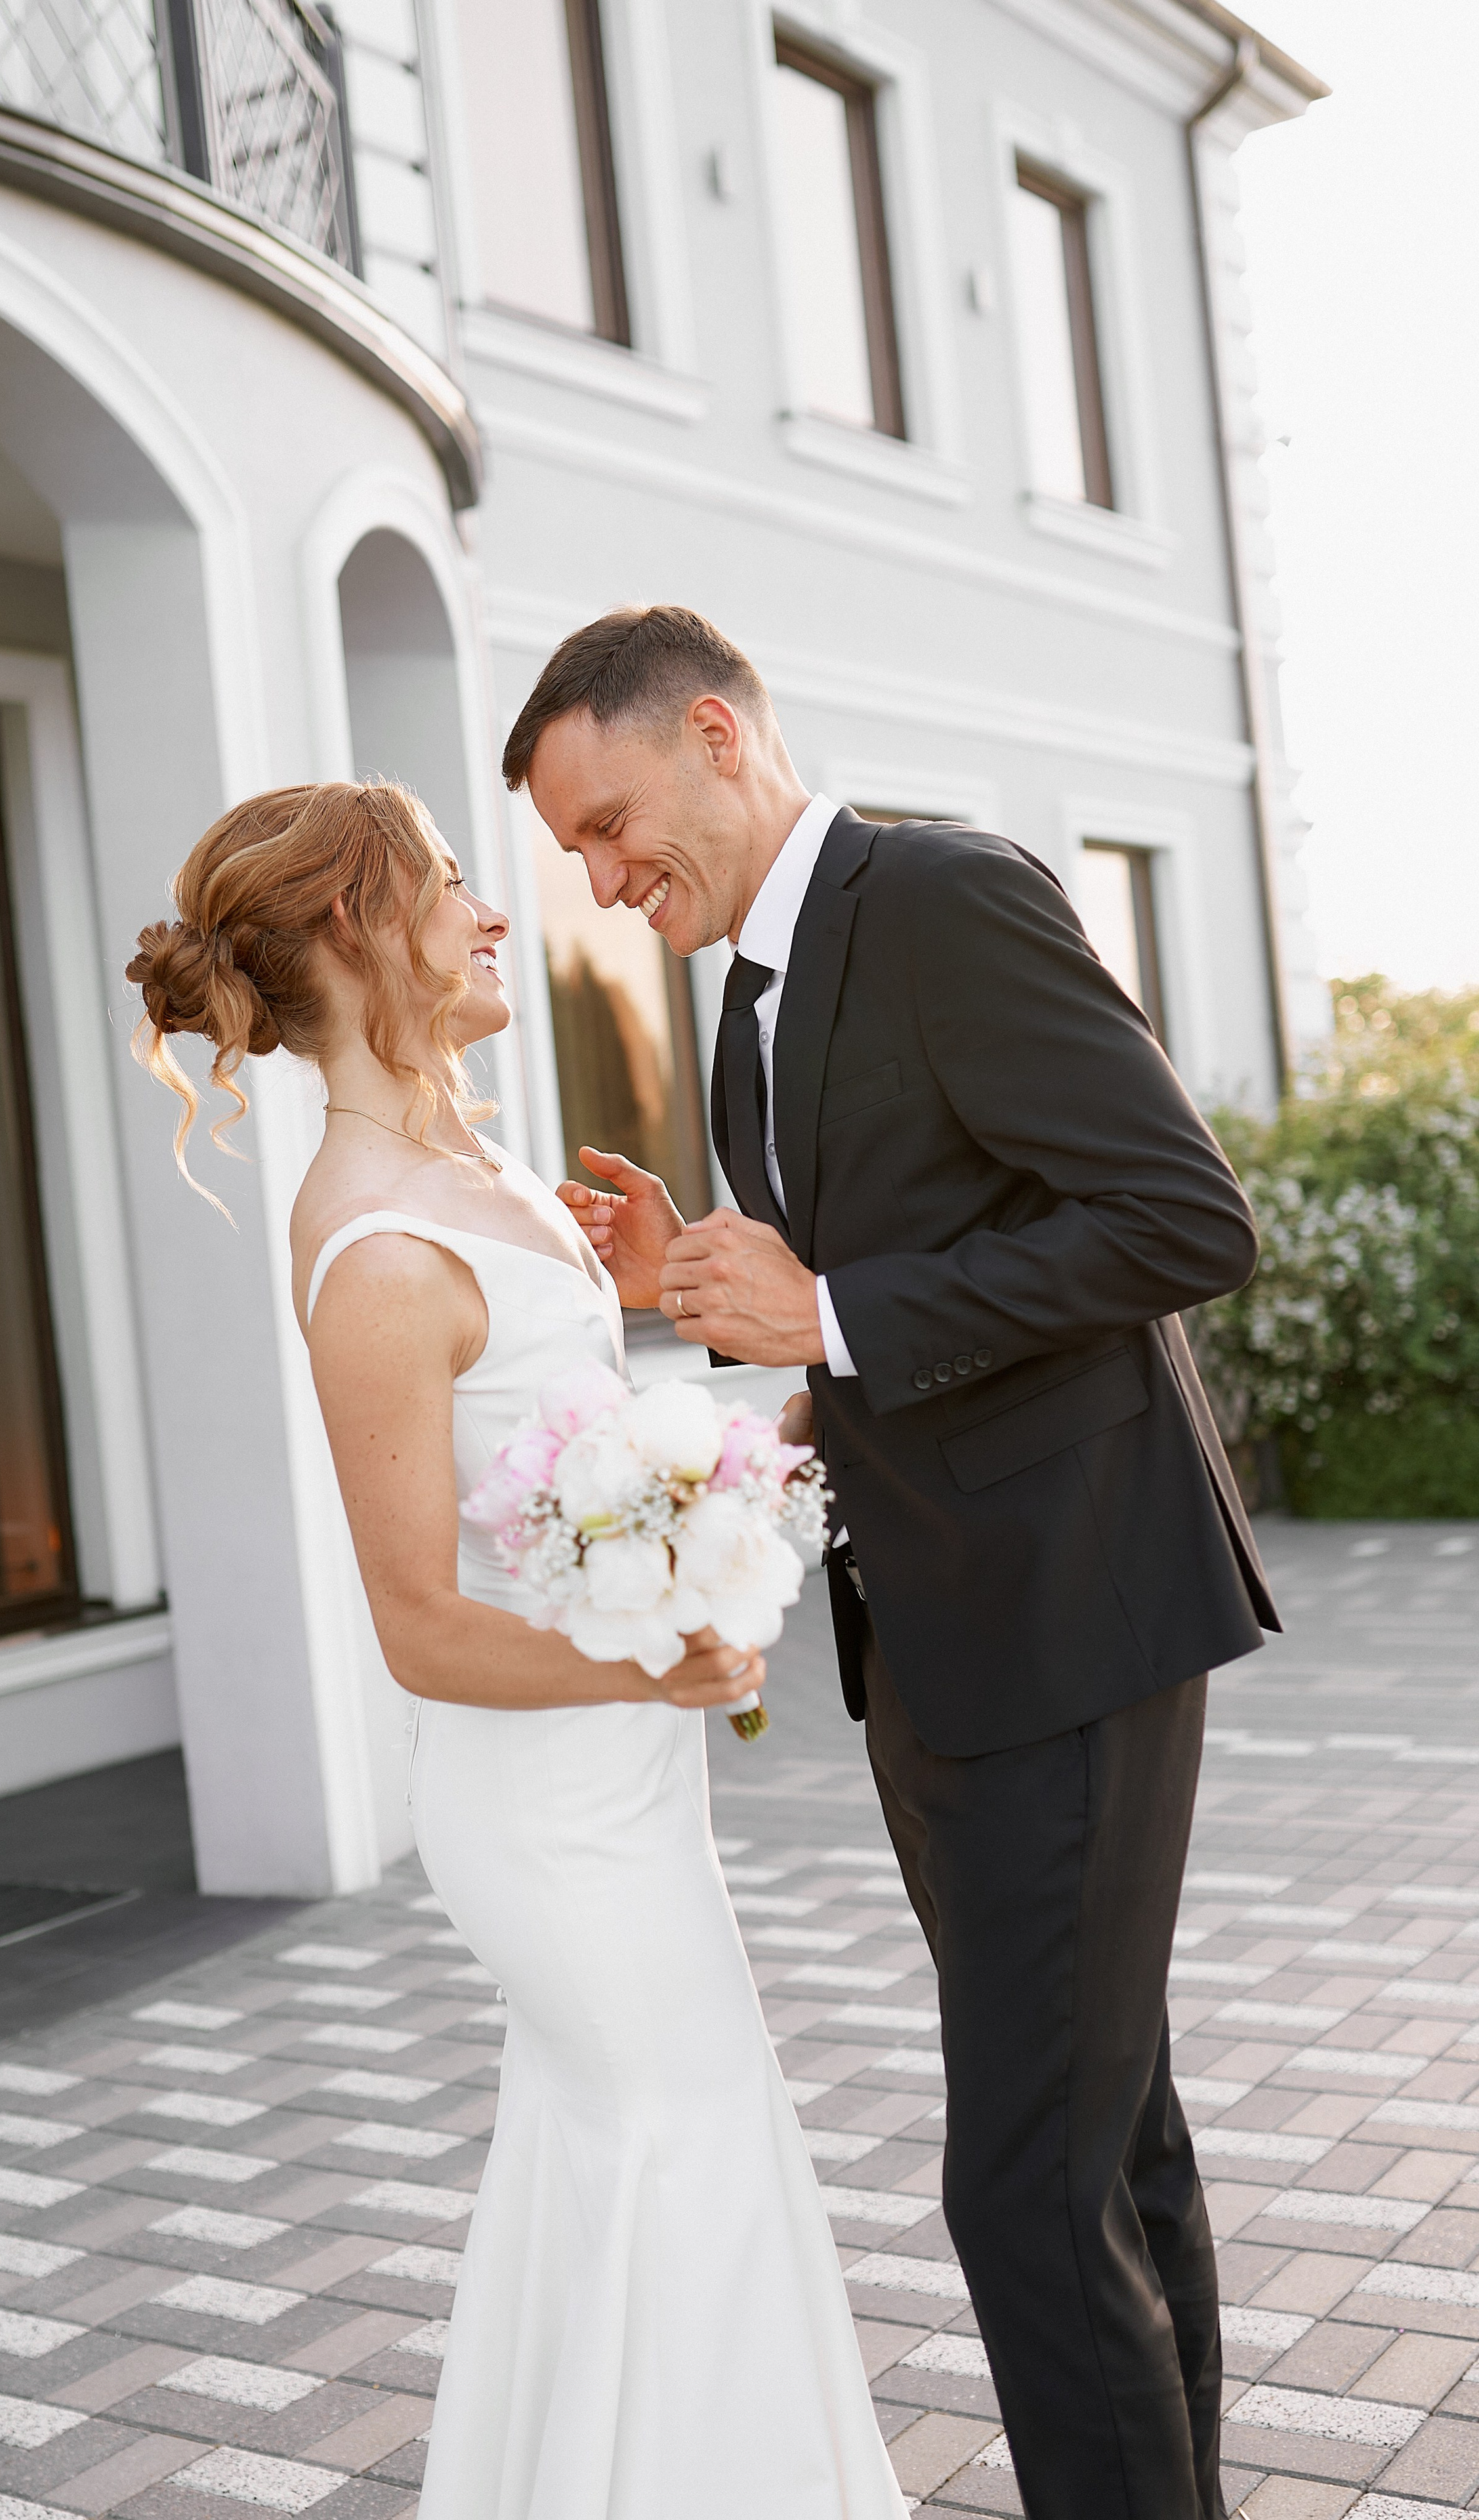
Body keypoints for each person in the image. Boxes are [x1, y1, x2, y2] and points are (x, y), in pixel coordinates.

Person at [510, 605, 1282, 2520]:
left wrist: (833, 1308)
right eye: (575, 862)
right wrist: (726, 1299)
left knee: (1020, 2183)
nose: (604, 886)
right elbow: (870, 1297)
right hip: (937, 1647)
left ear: (714, 733)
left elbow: (1185, 1216)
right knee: (1108, 2150)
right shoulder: (747, 1002)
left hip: (1077, 1621)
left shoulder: (938, 900)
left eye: (611, 827)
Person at [126, 780, 907, 2520]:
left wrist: (703, 1384)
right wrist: (661, 1667)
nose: (498, 918)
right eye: (458, 888)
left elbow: (552, 1467)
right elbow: (419, 1626)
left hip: (624, 1794)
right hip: (548, 1815)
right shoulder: (381, 1251)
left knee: (633, 2157)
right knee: (681, 2152)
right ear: (354, 931)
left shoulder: (483, 1169)